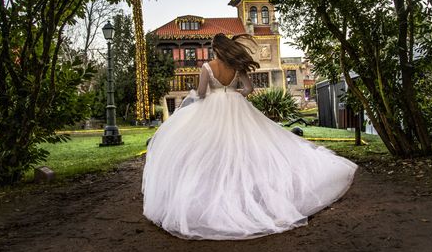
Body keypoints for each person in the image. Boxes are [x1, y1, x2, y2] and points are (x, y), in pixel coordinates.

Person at [142, 33, 357, 240]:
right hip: (237, 108)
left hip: (212, 109)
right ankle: (247, 187)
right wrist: (236, 95)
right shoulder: (237, 66)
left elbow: (200, 93)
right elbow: (249, 88)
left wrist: (209, 96)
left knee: (210, 148)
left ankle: (217, 188)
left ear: (215, 49)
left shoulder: (207, 67)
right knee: (245, 145)